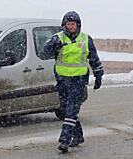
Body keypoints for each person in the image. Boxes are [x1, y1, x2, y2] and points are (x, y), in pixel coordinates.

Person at [43, 11, 104, 153]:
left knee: (71, 111)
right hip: (63, 81)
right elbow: (44, 53)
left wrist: (98, 76)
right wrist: (53, 48)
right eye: (68, 24)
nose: (70, 27)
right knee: (65, 110)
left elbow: (94, 59)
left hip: (78, 81)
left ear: (78, 25)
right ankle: (78, 135)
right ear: (64, 25)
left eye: (73, 24)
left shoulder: (86, 39)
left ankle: (64, 140)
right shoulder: (57, 38)